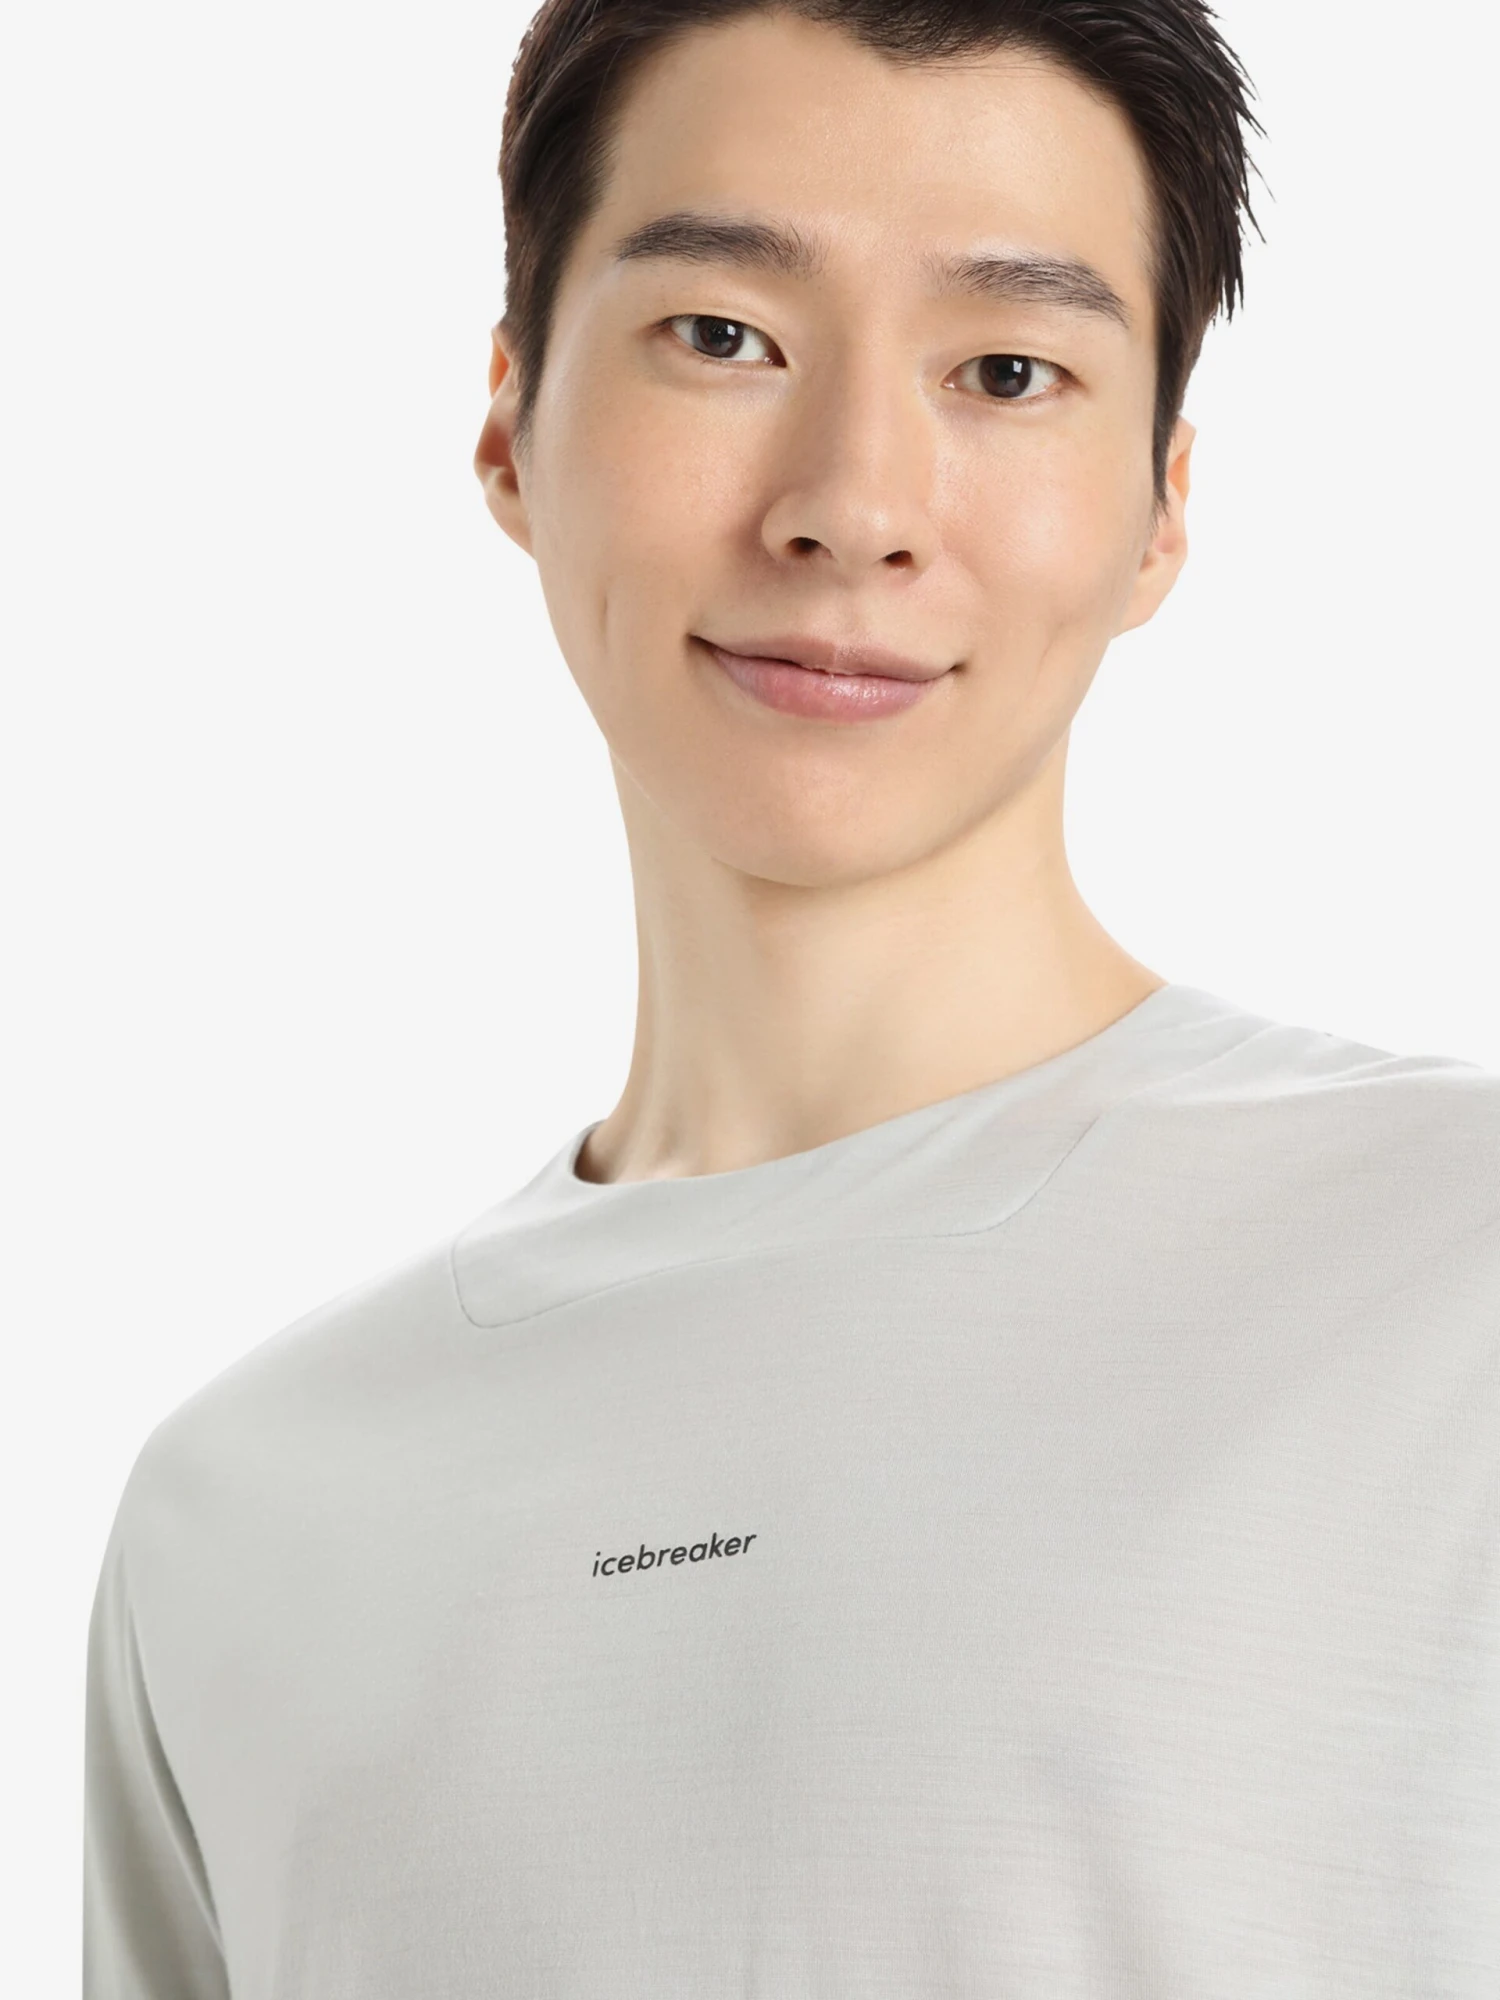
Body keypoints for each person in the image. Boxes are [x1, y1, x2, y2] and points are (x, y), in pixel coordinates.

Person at [83, 1, 1500, 1992]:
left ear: (1161, 503)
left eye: (1007, 370)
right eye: (723, 334)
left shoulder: (1448, 1278)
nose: (851, 502)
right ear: (508, 421)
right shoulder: (243, 1517)